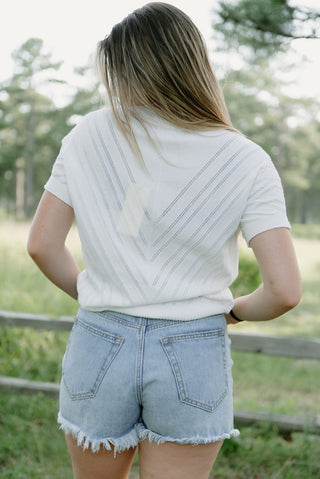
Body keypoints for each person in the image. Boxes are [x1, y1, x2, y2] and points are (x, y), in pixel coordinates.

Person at [27, 2, 302, 478]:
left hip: (100, 338)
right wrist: (234, 310)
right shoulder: (246, 158)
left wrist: (100, 298)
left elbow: (42, 245)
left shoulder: (87, 134)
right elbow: (285, 291)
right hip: (192, 346)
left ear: (122, 69)